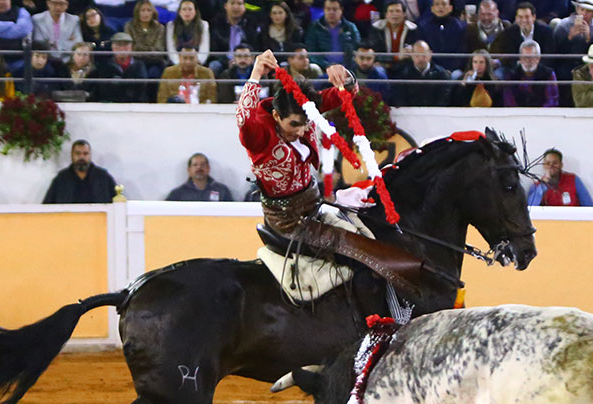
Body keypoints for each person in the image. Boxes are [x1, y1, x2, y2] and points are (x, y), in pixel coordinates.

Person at [237, 48, 423, 295]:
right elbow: (243, 119)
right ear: (275, 115)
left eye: (305, 124)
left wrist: (345, 75)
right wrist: (256, 73)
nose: (301, 131)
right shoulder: (259, 135)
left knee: (372, 233)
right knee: (359, 252)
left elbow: (346, 93)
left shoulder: (306, 109)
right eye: (294, 124)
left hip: (316, 206)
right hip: (288, 221)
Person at [43, 140, 118, 204]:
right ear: (72, 155)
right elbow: (47, 208)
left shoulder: (103, 178)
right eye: (78, 153)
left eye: (85, 153)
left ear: (90, 155)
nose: (82, 157)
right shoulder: (61, 179)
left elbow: (118, 205)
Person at [89, 31, 149, 102]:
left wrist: (117, 81)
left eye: (126, 45)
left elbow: (140, 85)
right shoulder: (105, 65)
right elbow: (105, 88)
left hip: (135, 102)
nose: (122, 48)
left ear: (131, 47)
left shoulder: (139, 64)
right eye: (118, 45)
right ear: (112, 47)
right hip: (111, 102)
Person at [391, 40, 452, 106]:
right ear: (412, 56)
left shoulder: (442, 75)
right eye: (417, 55)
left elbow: (443, 100)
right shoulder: (403, 75)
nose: (421, 59)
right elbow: (400, 100)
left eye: (424, 55)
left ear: (430, 54)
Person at [208, 0, 261, 75]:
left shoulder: (251, 23)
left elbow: (255, 46)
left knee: (259, 64)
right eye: (232, 3)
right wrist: (227, 61)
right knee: (214, 65)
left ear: (244, 7)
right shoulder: (216, 23)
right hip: (224, 60)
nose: (236, 7)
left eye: (239, 4)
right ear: (225, 6)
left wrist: (247, 59)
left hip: (246, 58)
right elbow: (215, 49)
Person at [304, 0, 361, 69]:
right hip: (322, 67)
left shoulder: (350, 27)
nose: (331, 12)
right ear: (324, 10)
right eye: (328, 9)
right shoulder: (315, 27)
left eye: (334, 9)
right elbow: (311, 51)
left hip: (347, 67)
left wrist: (344, 66)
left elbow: (357, 48)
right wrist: (327, 65)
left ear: (341, 10)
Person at [527, 148, 593, 206]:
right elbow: (530, 209)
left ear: (561, 165)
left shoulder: (574, 180)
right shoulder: (537, 186)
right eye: (548, 163)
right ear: (543, 165)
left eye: (555, 163)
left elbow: (589, 206)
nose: (551, 166)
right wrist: (543, 186)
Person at [502, 39, 558, 106]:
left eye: (531, 57)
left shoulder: (548, 74)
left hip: (542, 112)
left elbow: (552, 101)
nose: (528, 61)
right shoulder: (511, 75)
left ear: (538, 58)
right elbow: (509, 101)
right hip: (518, 112)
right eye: (525, 57)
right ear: (520, 58)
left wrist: (538, 112)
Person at [416, 0, 467, 73]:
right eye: (437, 4)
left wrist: (450, 69)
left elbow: (461, 52)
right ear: (432, 8)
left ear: (450, 8)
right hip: (432, 70)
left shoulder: (460, 27)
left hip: (454, 70)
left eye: (444, 4)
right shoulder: (424, 27)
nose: (440, 7)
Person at [491, 2, 555, 61]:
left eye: (527, 17)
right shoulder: (509, 33)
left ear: (534, 17)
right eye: (520, 17)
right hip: (517, 67)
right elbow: (509, 58)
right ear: (516, 18)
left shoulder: (546, 32)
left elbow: (549, 57)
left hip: (541, 67)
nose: (524, 20)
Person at [368, 0, 418, 74]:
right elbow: (375, 53)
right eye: (391, 11)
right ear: (386, 14)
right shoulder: (377, 28)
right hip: (383, 66)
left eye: (398, 11)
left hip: (405, 67)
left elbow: (411, 55)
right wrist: (396, 57)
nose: (394, 14)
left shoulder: (413, 29)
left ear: (404, 14)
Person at [124, 0, 168, 82]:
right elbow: (131, 49)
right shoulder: (129, 26)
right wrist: (149, 49)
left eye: (148, 10)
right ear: (137, 12)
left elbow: (159, 49)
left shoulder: (160, 28)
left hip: (156, 61)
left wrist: (140, 49)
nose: (146, 13)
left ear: (153, 13)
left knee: (154, 73)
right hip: (136, 61)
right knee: (140, 73)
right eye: (143, 10)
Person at [165, 153, 234, 201]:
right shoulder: (178, 194)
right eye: (195, 165)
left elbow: (232, 213)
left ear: (208, 168)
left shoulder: (222, 191)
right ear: (189, 170)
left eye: (203, 164)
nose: (199, 167)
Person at [167, 0, 210, 65]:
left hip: (197, 63)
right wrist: (179, 63)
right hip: (177, 63)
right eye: (184, 9)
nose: (187, 12)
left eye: (190, 9)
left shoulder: (204, 25)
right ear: (179, 12)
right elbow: (171, 49)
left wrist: (198, 61)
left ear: (195, 11)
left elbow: (204, 49)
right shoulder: (171, 26)